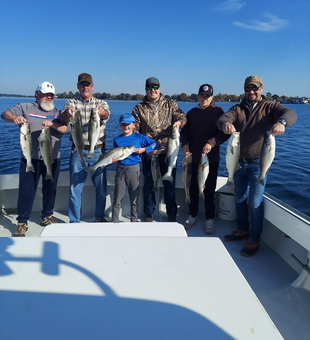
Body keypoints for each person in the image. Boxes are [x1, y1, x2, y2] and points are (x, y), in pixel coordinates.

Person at [217, 75, 297, 256]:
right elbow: (222, 119)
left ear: (261, 88)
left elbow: (291, 114)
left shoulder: (271, 107)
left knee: (254, 202)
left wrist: (282, 122)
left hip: (258, 164)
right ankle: (242, 229)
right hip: (238, 163)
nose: (251, 92)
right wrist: (226, 124)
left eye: (254, 88)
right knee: (238, 198)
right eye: (248, 89)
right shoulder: (237, 108)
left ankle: (254, 239)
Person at [1, 81, 66, 236]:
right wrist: (15, 118)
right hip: (31, 158)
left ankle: (47, 216)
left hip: (52, 158)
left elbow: (66, 128)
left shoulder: (58, 112)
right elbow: (5, 114)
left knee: (50, 189)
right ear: (37, 94)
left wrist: (52, 124)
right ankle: (22, 222)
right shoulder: (25, 107)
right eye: (45, 94)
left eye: (51, 95)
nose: (49, 97)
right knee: (26, 191)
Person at [132, 77, 186, 222]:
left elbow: (182, 117)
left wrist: (179, 123)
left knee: (170, 185)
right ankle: (149, 214)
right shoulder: (139, 108)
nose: (153, 90)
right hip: (149, 153)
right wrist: (143, 148)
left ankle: (172, 215)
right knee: (149, 184)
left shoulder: (170, 103)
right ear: (145, 90)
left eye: (155, 87)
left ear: (160, 89)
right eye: (149, 88)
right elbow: (135, 130)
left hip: (169, 152)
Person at [60, 73, 110, 223]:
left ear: (92, 86)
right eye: (82, 85)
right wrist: (68, 114)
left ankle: (99, 217)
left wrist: (101, 112)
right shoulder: (71, 102)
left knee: (101, 188)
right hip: (78, 151)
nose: (85, 87)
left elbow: (106, 114)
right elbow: (63, 117)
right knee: (75, 189)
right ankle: (74, 221)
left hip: (99, 150)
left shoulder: (101, 103)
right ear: (78, 86)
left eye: (88, 84)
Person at [180, 84, 229, 234]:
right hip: (193, 159)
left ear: (212, 97)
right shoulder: (191, 113)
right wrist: (185, 144)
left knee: (209, 190)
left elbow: (224, 134)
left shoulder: (219, 112)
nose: (204, 99)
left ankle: (209, 219)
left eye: (207, 97)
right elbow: (185, 132)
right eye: (201, 96)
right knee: (193, 188)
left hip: (211, 160)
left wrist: (211, 142)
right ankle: (192, 215)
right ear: (198, 97)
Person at [112, 113, 160, 223]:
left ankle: (133, 221)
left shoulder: (139, 137)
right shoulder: (117, 139)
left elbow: (156, 144)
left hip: (134, 169)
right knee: (117, 198)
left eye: (128, 124)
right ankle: (114, 221)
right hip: (120, 169)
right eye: (123, 125)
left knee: (134, 199)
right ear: (120, 126)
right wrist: (113, 159)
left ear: (133, 125)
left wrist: (144, 150)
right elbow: (115, 154)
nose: (126, 127)